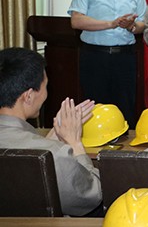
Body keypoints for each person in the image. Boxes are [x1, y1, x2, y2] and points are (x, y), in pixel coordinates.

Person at [0, 47, 101, 216]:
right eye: (45, 86)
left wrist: (49, 140)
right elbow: (91, 197)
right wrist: (74, 143)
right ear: (28, 96)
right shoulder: (53, 153)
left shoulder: (49, 148)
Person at [68, 0, 146, 126]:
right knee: (94, 109)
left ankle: (124, 144)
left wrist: (131, 26)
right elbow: (76, 21)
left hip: (124, 59)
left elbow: (143, 24)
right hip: (94, 57)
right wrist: (111, 24)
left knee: (125, 108)